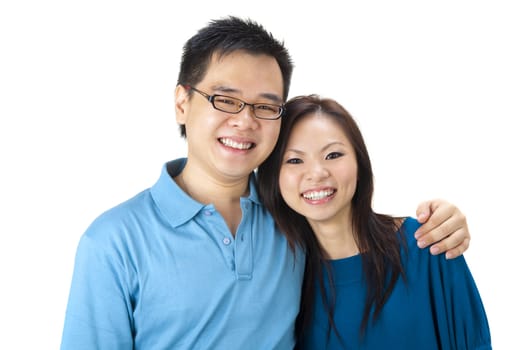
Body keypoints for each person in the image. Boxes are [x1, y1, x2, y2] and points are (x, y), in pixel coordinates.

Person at [60, 17, 472, 349]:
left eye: (265, 106)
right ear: (182, 103)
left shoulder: (291, 221)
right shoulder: (113, 242)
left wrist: (442, 223)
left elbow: (359, 244)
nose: (245, 120)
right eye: (225, 99)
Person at [257, 95, 491, 349]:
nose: (317, 173)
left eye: (333, 154)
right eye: (294, 160)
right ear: (274, 177)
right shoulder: (281, 278)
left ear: (359, 162)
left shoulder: (428, 242)